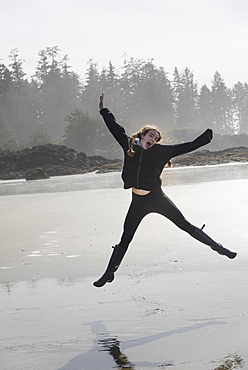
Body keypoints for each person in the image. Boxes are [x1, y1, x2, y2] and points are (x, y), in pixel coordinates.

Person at [93, 93, 237, 288]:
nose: (153, 138)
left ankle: (219, 248)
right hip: (138, 201)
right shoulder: (129, 146)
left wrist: (206, 137)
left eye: (156, 137)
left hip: (156, 198)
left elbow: (187, 146)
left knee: (184, 224)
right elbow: (115, 128)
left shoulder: (161, 151)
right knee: (126, 237)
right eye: (150, 135)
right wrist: (103, 110)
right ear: (142, 135)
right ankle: (108, 274)